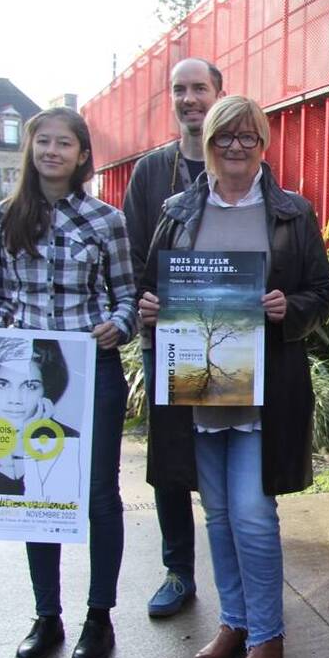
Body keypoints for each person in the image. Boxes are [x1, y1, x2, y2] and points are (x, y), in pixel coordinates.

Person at [138, 95, 329, 658]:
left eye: (249, 138)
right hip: (197, 386)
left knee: (251, 513)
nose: (236, 148)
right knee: (217, 513)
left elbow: (322, 293)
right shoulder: (177, 211)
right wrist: (150, 309)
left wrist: (288, 307)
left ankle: (268, 635)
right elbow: (152, 288)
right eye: (226, 137)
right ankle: (234, 623)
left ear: (263, 144)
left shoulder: (291, 213)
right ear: (208, 142)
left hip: (262, 393)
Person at [0, 107, 137, 658]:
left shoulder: (107, 221)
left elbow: (127, 296)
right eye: (43, 142)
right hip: (28, 372)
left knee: (99, 493)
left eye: (65, 144)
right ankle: (47, 616)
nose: (52, 151)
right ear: (30, 150)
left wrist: (119, 325)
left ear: (83, 155)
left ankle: (99, 617)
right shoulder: (2, 218)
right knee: (39, 493)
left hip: (90, 369)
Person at [123, 57, 225, 618]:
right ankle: (178, 572)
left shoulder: (242, 164)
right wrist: (145, 299)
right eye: (180, 90)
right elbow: (137, 253)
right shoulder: (150, 172)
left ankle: (236, 574)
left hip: (227, 342)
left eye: (199, 89)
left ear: (219, 93)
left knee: (229, 453)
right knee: (168, 462)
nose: (190, 99)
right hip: (164, 340)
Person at [0, 336, 81, 502]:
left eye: (30, 386)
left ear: (45, 391)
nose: (15, 399)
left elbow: (56, 502)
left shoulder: (71, 441)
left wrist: (25, 442)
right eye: (2, 384)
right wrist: (5, 454)